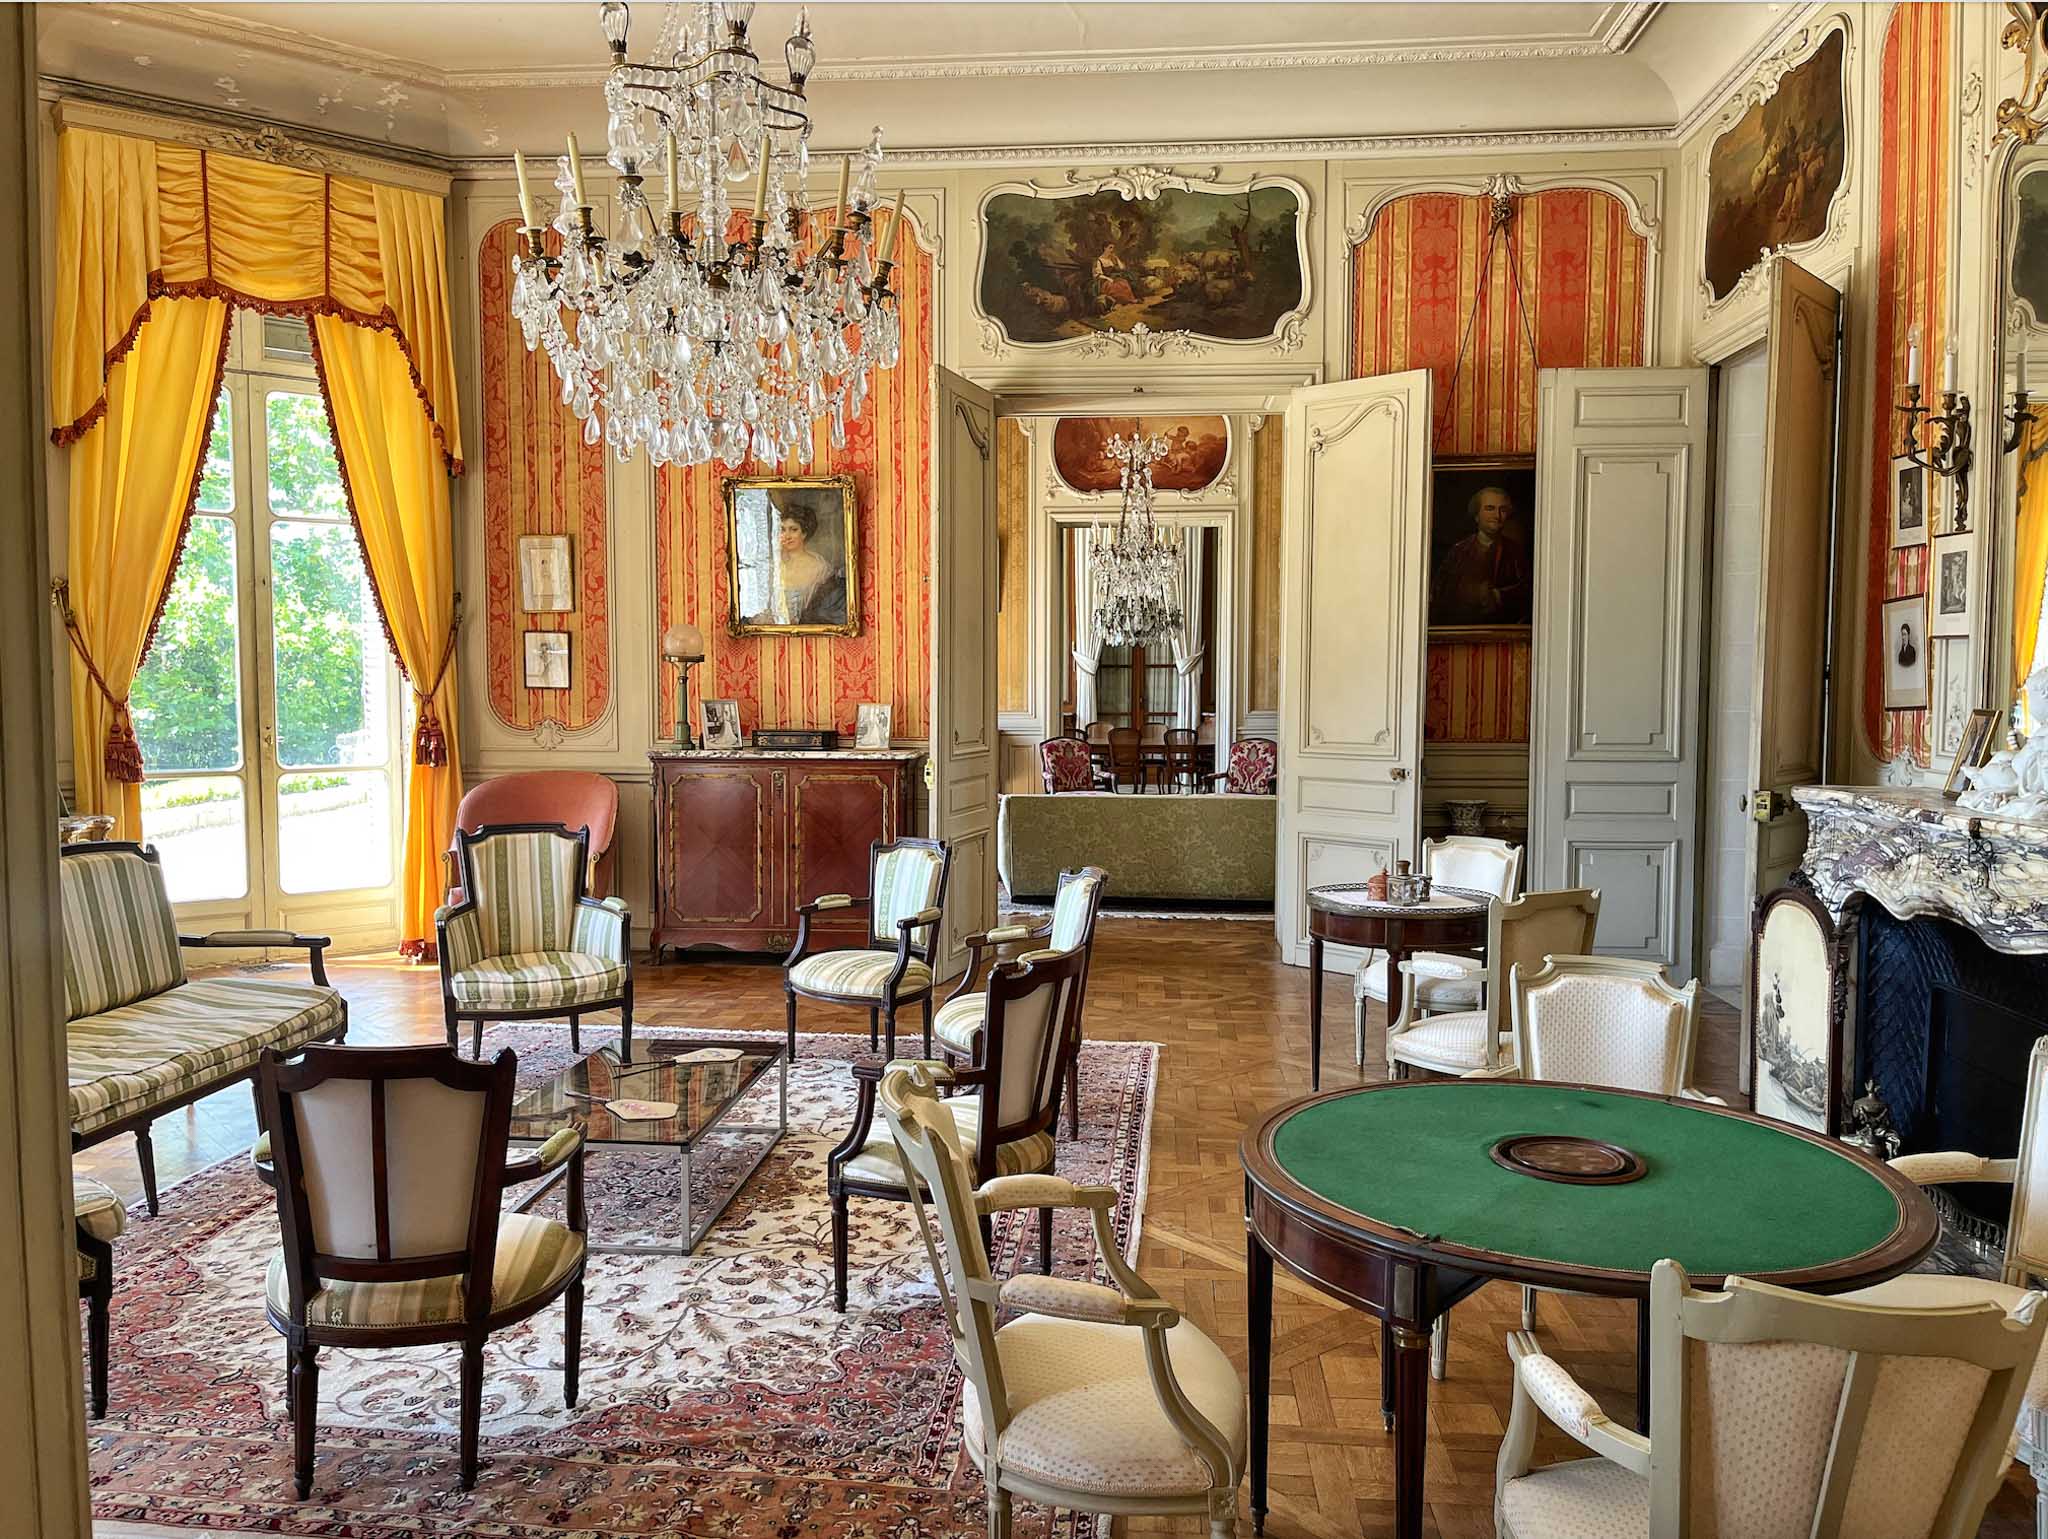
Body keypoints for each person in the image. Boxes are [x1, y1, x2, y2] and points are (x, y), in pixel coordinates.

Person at [1431, 484, 1531, 626]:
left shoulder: (1516, 552)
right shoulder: (1458, 552)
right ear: (1476, 515)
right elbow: (1440, 594)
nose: (1497, 516)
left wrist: (1498, 596)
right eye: (1490, 508)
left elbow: (1528, 592)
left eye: (1502, 510)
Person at [751, 498, 845, 627]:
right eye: (782, 529)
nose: (787, 535)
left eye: (793, 529)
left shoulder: (819, 567)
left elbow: (825, 611)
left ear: (804, 533)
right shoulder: (772, 564)